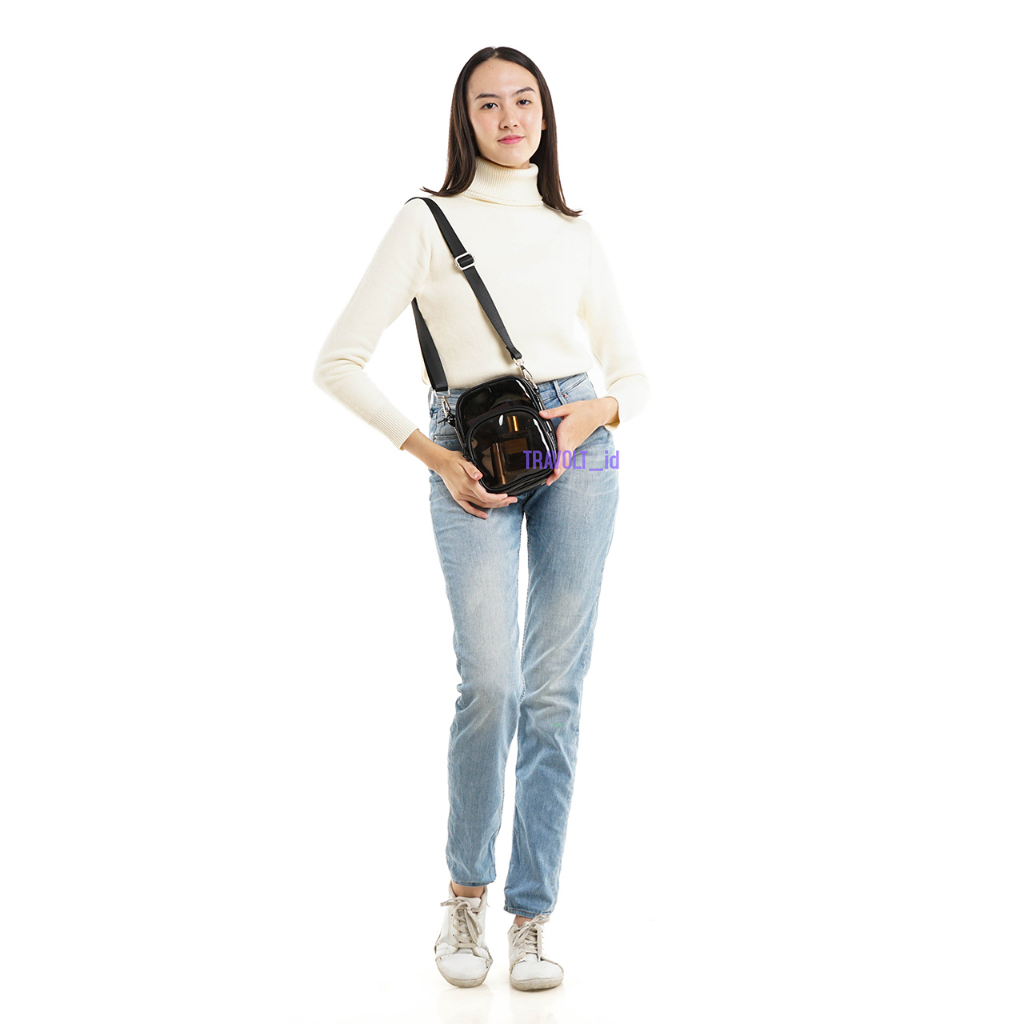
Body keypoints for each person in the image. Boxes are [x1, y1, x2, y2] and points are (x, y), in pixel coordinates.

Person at [312, 46, 652, 991]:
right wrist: (437, 461)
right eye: (488, 104)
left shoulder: (573, 231)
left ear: (546, 115)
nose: (509, 118)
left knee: (555, 692)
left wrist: (593, 413)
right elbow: (336, 361)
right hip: (467, 448)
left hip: (579, 447)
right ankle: (464, 897)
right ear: (464, 121)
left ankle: (531, 917)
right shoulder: (427, 220)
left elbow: (633, 376)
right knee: (492, 684)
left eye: (524, 101)